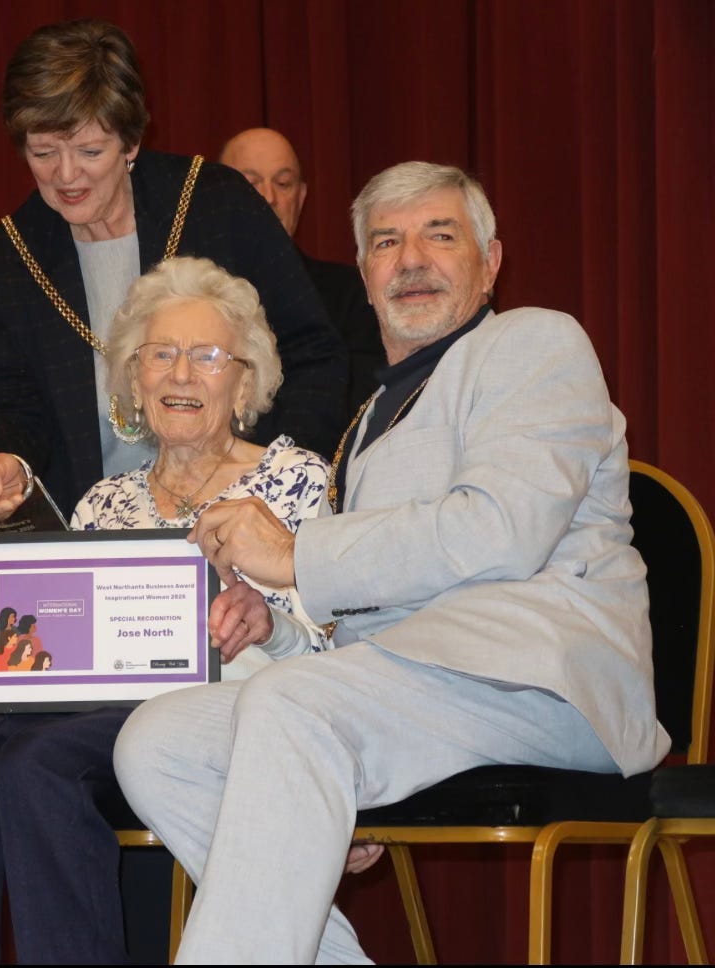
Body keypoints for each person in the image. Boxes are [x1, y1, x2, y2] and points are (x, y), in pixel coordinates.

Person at [113, 162, 671, 964]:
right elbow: (367, 611)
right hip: (410, 683)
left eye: (439, 236)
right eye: (385, 242)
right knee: (157, 741)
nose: (410, 259)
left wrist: (295, 554)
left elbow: (500, 531)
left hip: (536, 678)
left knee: (295, 708)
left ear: (491, 262)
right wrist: (277, 628)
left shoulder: (534, 342)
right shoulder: (374, 413)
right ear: (365, 277)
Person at [0, 256, 333, 964]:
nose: (181, 374)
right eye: (159, 355)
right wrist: (3, 630)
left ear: (245, 381)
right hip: (92, 712)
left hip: (216, 712)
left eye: (207, 356)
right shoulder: (103, 501)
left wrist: (266, 619)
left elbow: (328, 646)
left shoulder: (294, 478)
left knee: (36, 764)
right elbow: (65, 644)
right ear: (134, 381)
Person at [0, 18, 347, 526]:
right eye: (43, 153)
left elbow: (313, 353)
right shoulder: (12, 254)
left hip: (240, 515)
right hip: (94, 523)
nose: (66, 175)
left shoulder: (215, 204)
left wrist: (270, 481)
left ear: (131, 142)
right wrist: (11, 462)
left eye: (90, 151)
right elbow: (9, 402)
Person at [218, 126, 385, 411]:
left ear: (301, 196)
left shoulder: (351, 297)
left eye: (283, 183)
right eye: (250, 182)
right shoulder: (185, 293)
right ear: (216, 195)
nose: (269, 197)